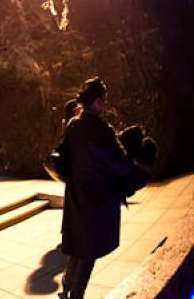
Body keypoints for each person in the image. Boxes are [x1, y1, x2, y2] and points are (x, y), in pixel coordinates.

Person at [60, 77, 133, 299]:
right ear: (96, 102)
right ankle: (76, 296)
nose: (104, 105)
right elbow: (121, 165)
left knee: (76, 249)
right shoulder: (102, 131)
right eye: (103, 100)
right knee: (88, 253)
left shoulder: (73, 125)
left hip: (76, 198)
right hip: (95, 203)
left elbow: (64, 157)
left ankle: (65, 290)